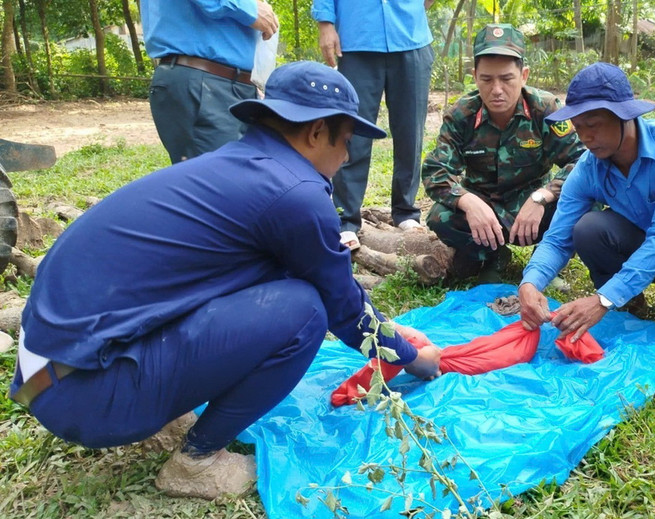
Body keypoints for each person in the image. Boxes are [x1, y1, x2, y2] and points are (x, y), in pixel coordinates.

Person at [8, 61, 442, 500]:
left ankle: (152, 400)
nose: (347, 157)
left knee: (277, 288)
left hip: (41, 381)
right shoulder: (295, 192)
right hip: (86, 398)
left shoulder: (234, 167)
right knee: (304, 311)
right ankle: (196, 462)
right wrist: (412, 358)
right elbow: (341, 307)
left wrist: (387, 328)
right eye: (346, 141)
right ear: (315, 132)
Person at [518, 62, 655, 338]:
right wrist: (530, 283)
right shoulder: (588, 167)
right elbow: (558, 238)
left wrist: (603, 299)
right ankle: (630, 298)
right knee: (588, 228)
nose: (585, 137)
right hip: (639, 237)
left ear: (625, 116)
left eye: (593, 125)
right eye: (578, 127)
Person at [422, 24, 585, 283]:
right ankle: (493, 255)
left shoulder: (546, 109)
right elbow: (434, 170)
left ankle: (546, 258)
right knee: (440, 216)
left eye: (507, 79)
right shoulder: (462, 114)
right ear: (475, 76)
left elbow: (583, 162)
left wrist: (542, 196)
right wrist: (468, 201)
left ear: (524, 76)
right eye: (487, 79)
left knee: (585, 207)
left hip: (533, 206)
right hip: (484, 207)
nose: (497, 89)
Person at [311, 0, 436, 249]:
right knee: (351, 131)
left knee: (410, 132)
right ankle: (346, 219)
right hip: (358, 37)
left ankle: (406, 211)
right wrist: (326, 23)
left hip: (410, 36)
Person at [140, 0, 280, 163]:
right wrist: (249, 9)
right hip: (203, 81)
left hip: (231, 84)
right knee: (221, 178)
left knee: (241, 179)